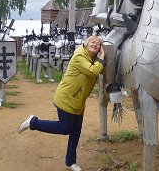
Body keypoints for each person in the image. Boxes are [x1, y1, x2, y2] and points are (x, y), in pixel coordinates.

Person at [18, 35, 105, 171]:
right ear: (86, 44)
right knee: (65, 129)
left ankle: (70, 161)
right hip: (67, 98)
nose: (95, 45)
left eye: (98, 44)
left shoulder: (93, 59)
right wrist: (103, 57)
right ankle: (33, 122)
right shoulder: (79, 56)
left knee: (75, 133)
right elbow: (93, 71)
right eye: (93, 42)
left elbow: (99, 69)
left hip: (78, 101)